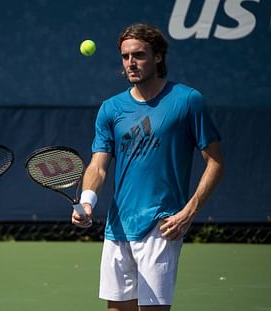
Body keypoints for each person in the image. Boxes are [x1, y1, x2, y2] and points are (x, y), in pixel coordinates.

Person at [72, 24, 224, 311]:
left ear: (158, 56)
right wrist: (88, 201)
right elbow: (99, 165)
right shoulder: (110, 109)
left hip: (162, 224)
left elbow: (215, 162)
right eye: (125, 56)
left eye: (139, 55)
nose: (131, 63)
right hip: (117, 227)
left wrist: (188, 212)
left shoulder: (187, 100)